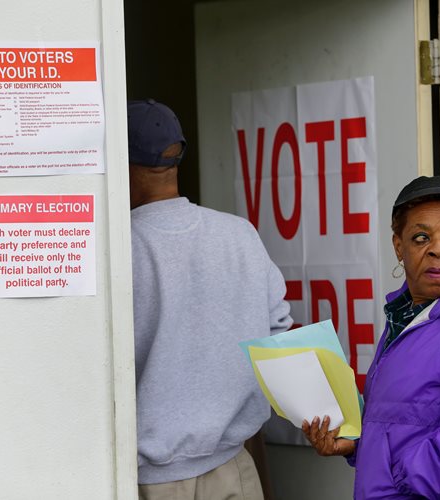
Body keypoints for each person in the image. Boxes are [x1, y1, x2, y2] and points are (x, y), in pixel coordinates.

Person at [302, 176, 440, 499]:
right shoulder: (405, 315)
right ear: (398, 246)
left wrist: (395, 473)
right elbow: (404, 419)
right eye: (421, 238)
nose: (439, 250)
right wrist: (357, 444)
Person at [128, 98, 293, 500]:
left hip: (150, 479)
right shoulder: (240, 235)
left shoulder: (119, 248)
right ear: (177, 155)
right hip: (233, 467)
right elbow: (279, 335)